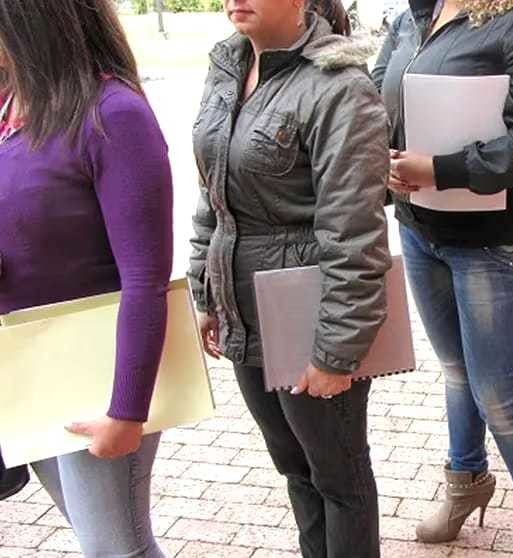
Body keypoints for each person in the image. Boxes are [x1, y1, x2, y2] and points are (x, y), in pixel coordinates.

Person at [188, 1, 391, 556]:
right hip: (246, 310)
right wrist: (204, 287)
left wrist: (336, 351)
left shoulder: (339, 87)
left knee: (339, 479)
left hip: (307, 316)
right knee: (296, 470)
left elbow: (355, 233)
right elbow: (213, 195)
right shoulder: (228, 66)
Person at [372, 0, 513, 554]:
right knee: (457, 372)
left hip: (492, 242)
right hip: (419, 228)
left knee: (498, 391)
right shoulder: (411, 18)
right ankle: (466, 483)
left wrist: (439, 169)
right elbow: (374, 94)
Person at [0, 0, 173, 555]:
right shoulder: (12, 107)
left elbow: (146, 277)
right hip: (32, 370)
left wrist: (127, 410)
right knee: (108, 541)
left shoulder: (113, 115)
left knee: (115, 547)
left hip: (95, 376)